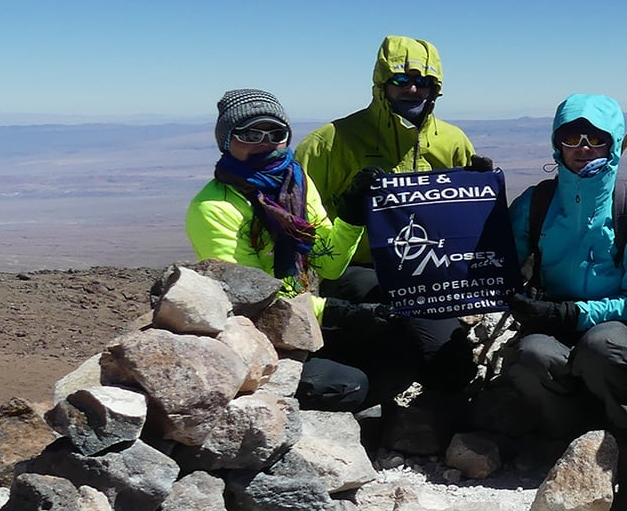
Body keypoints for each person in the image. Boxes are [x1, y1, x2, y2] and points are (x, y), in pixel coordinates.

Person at [287, 35, 483, 411]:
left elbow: (467, 217)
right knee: (389, 313)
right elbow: (298, 219)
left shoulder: (453, 140)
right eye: (400, 80)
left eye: (422, 82)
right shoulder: (330, 141)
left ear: (435, 87)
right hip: (352, 269)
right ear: (381, 84)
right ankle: (359, 387)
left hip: (426, 271)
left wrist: (480, 187)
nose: (412, 89)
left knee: (452, 369)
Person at [186, 89, 382, 408]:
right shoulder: (213, 207)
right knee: (349, 384)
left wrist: (351, 216)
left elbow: (329, 265)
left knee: (396, 347)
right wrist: (335, 312)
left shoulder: (296, 182)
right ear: (226, 140)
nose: (265, 141)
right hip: (256, 336)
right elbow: (252, 299)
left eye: (276, 132)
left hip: (299, 312)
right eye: (250, 133)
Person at [503, 94, 627, 437]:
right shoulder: (536, 203)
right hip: (555, 324)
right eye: (572, 138)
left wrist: (567, 313)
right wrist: (476, 193)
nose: (583, 148)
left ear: (612, 144)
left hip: (623, 328)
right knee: (530, 355)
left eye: (595, 139)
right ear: (556, 143)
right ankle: (569, 437)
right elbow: (497, 261)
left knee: (601, 348)